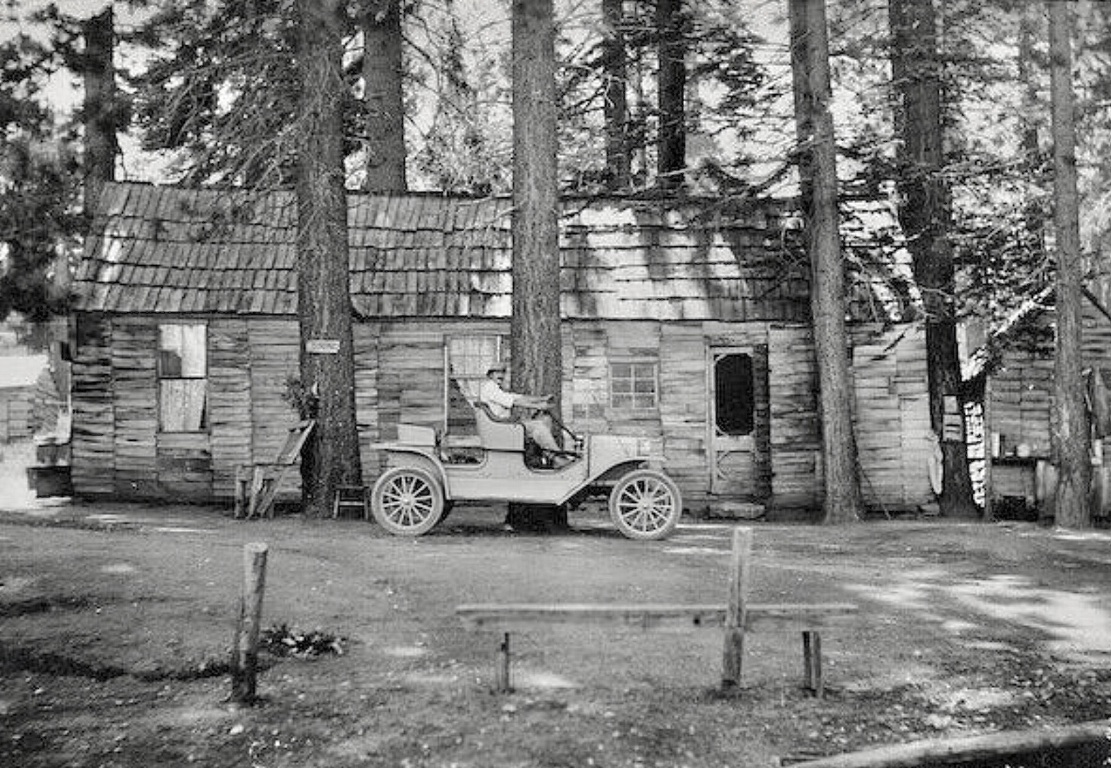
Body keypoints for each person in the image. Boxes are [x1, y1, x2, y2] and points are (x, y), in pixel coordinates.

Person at [478, 366, 570, 466]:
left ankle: (546, 457)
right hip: (501, 428)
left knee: (545, 420)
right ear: (491, 375)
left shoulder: (498, 389)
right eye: (497, 373)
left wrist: (542, 399)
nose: (500, 375)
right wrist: (538, 406)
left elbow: (520, 398)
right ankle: (557, 458)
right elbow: (514, 402)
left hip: (503, 425)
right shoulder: (490, 388)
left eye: (502, 372)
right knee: (538, 426)